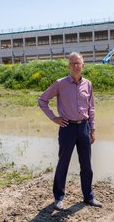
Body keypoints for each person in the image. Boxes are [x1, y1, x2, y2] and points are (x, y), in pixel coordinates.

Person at [38, 52, 102, 210]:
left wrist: (92, 129)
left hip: (84, 128)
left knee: (86, 165)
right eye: (73, 63)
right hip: (67, 128)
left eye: (78, 63)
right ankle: (58, 198)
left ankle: (88, 197)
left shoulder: (88, 84)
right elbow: (42, 100)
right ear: (69, 66)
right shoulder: (60, 84)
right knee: (63, 164)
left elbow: (91, 108)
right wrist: (54, 118)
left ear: (83, 66)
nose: (76, 66)